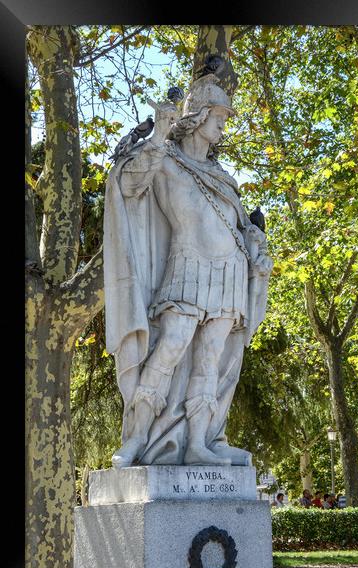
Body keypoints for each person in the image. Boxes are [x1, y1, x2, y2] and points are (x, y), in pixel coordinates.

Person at [104, 73, 273, 468]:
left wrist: (256, 249)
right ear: (198, 116)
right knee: (171, 346)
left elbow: (242, 228)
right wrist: (159, 135)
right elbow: (128, 184)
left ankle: (199, 442)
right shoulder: (164, 159)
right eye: (219, 116)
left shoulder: (224, 178)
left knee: (211, 358)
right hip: (187, 265)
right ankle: (138, 438)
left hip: (229, 273)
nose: (223, 125)